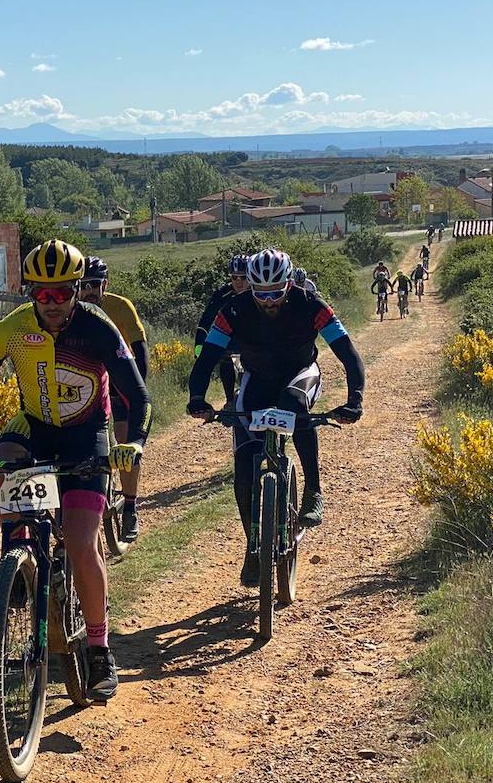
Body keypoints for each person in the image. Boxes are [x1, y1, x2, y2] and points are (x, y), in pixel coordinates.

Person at [0, 240, 151, 702]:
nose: (51, 303)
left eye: (61, 292)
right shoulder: (15, 327)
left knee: (83, 544)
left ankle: (100, 649)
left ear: (75, 290)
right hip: (35, 426)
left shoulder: (99, 329)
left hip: (88, 433)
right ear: (30, 293)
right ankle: (19, 559)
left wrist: (132, 444)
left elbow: (139, 396)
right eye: (40, 294)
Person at [185, 249, 363, 585]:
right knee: (244, 466)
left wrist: (355, 399)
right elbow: (206, 359)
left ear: (289, 283)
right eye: (260, 293)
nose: (268, 301)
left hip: (300, 373)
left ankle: (313, 489)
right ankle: (254, 547)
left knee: (295, 405)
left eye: (276, 292)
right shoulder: (233, 310)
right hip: (257, 379)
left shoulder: (312, 305)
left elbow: (348, 354)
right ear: (249, 287)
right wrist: (197, 397)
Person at [79, 255, 150, 541]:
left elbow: (140, 348)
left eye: (94, 285)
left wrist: (138, 388)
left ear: (104, 285)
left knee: (124, 440)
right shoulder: (72, 310)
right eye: (83, 285)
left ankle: (130, 507)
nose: (88, 291)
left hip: (119, 379)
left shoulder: (121, 307)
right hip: (86, 383)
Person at [195, 254, 251, 403]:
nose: (239, 282)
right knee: (224, 358)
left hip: (254, 336)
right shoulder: (222, 294)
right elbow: (205, 321)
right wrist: (199, 347)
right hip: (231, 336)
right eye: (234, 278)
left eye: (243, 277)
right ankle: (229, 400)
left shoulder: (259, 293)